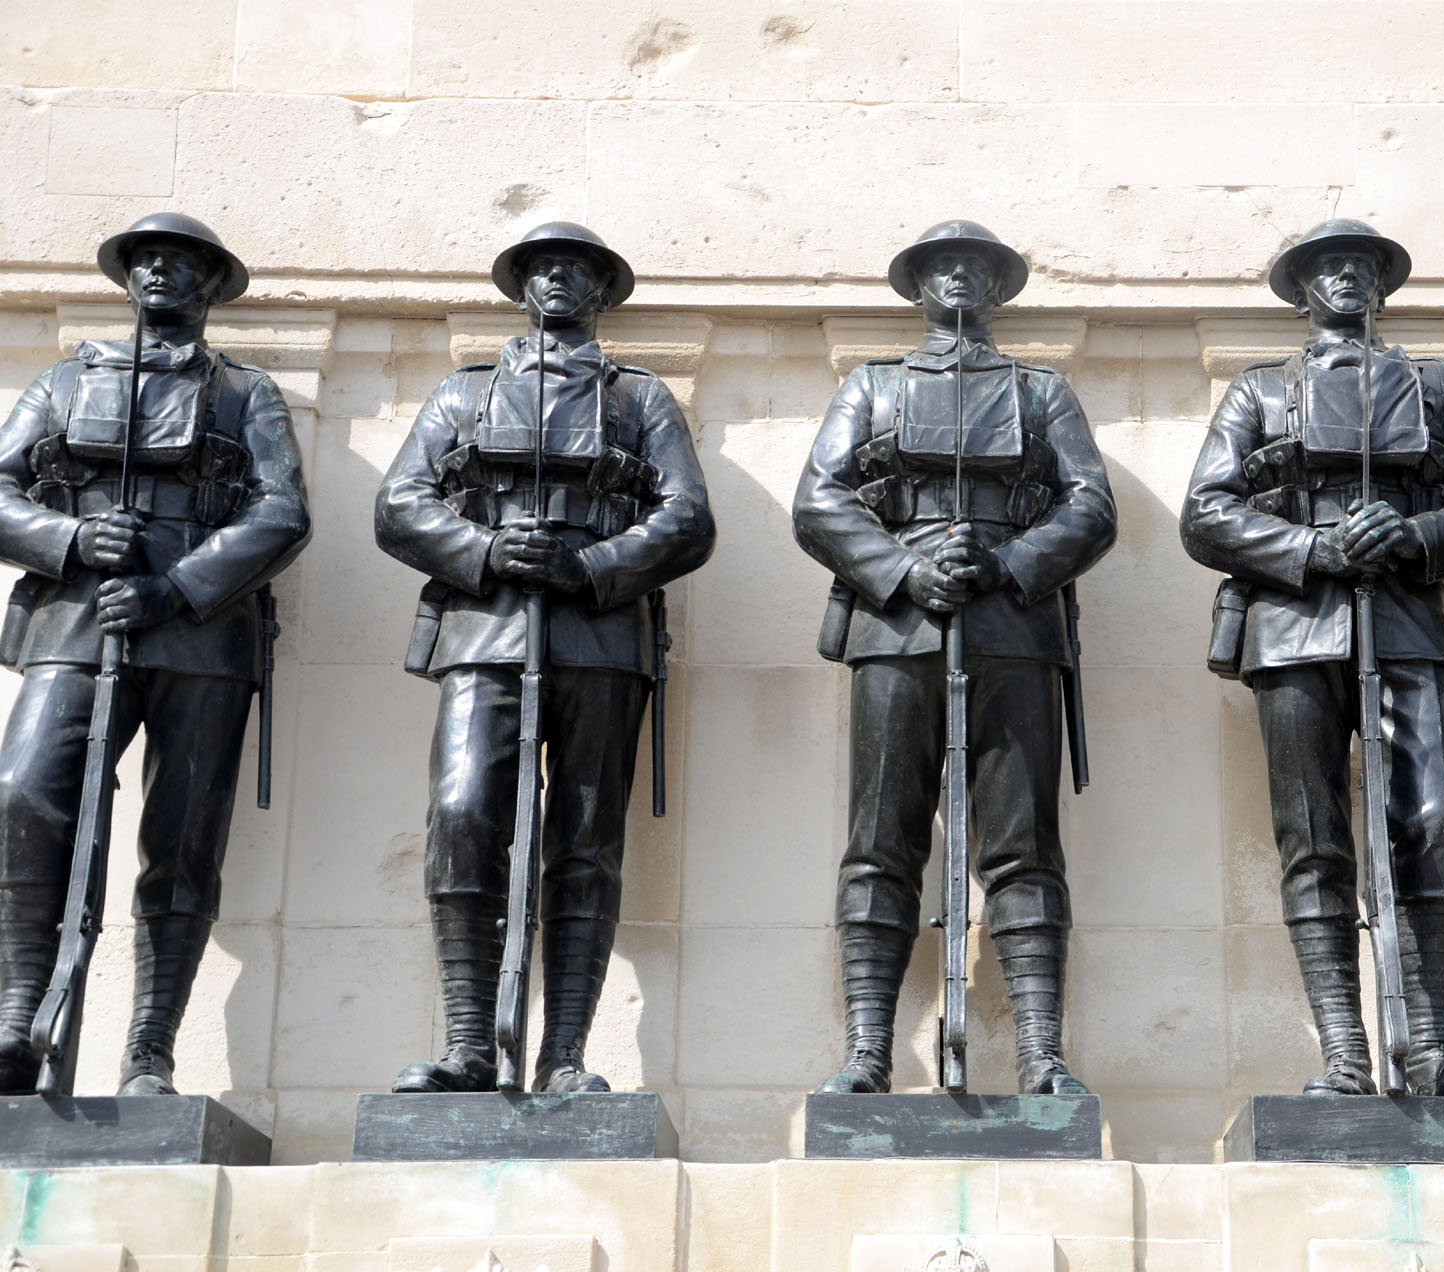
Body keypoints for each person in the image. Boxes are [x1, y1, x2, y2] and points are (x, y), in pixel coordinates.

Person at [1182, 219, 1444, 1097]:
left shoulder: (1433, 384)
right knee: (1314, 836)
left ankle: (1430, 1047)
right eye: (1329, 267)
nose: (1347, 278)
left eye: (1363, 267)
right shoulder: (1260, 390)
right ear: (1301, 289)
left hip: (1410, 622)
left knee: (1435, 823)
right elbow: (1206, 514)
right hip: (1293, 627)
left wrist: (1414, 533)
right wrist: (1312, 548)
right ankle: (1343, 1051)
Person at [376, 222, 714, 1094]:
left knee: (585, 841)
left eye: (576, 269)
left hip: (600, 635)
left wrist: (592, 565)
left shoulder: (639, 399)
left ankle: (564, 1053)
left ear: (601, 291)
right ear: (521, 287)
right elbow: (400, 504)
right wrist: (484, 549)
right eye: (541, 268)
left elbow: (687, 518)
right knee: (462, 817)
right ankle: (468, 1044)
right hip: (484, 630)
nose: (557, 279)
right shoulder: (464, 394)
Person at [793, 220, 1116, 1095]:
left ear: (998, 286)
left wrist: (1009, 563)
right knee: (881, 841)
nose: (960, 277)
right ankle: (868, 1051)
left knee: (1024, 844)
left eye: (976, 266)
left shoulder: (1040, 391)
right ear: (920, 286)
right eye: (943, 266)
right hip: (897, 625)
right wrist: (906, 569)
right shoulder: (872, 385)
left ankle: (1041, 1054)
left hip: (1014, 625)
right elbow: (819, 502)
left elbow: (1090, 506)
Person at [0, 213, 310, 1095]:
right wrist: (69, 537)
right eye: (146, 259)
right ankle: (18, 1014)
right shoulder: (63, 382)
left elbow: (282, 512)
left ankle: (149, 1047)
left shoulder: (245, 393)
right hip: (77, 618)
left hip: (202, 632)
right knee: (23, 791)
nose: (160, 270)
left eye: (180, 261)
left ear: (211, 284)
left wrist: (175, 588)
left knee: (183, 837)